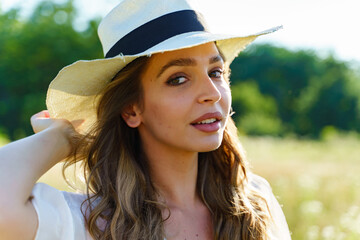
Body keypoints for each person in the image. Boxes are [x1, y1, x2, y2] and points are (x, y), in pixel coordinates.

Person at [0, 0, 291, 239]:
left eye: (215, 72)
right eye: (178, 79)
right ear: (131, 109)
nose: (212, 93)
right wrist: (61, 137)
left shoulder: (254, 204)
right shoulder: (89, 224)